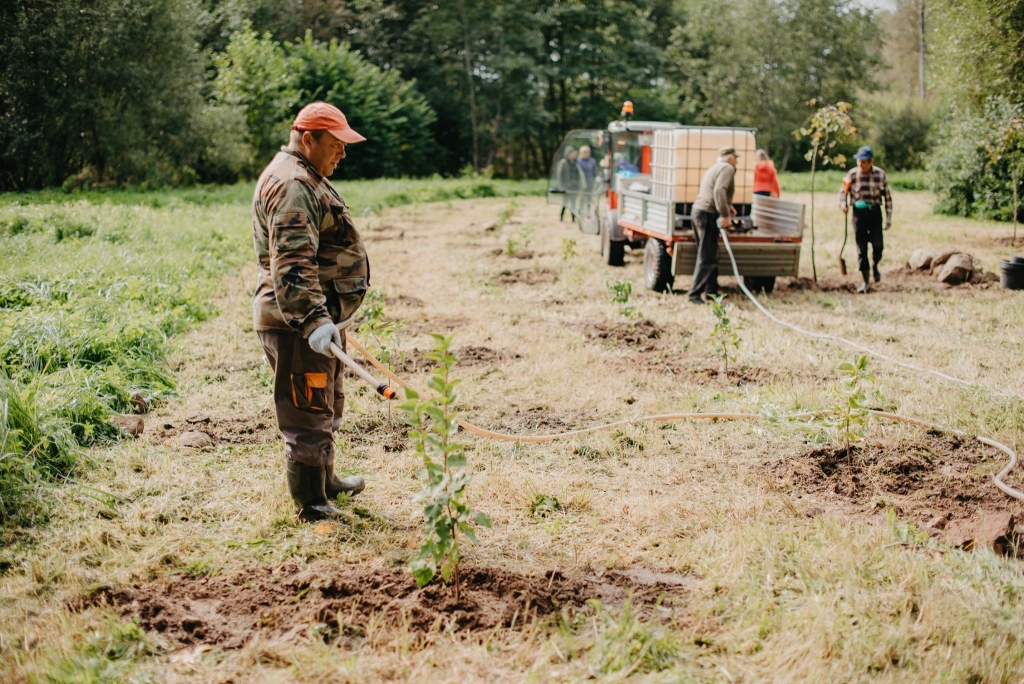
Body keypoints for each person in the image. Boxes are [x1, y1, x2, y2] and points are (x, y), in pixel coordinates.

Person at [252, 101, 371, 521]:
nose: (342, 153)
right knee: (306, 412)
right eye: (336, 144)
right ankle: (312, 503)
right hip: (298, 324)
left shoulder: (305, 175)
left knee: (324, 402)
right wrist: (314, 320)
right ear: (309, 139)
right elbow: (292, 261)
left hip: (316, 318)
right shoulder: (292, 184)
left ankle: (326, 480)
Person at [687, 146, 738, 304]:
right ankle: (694, 295)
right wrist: (724, 214)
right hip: (707, 214)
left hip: (698, 211)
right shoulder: (728, 168)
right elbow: (719, 191)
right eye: (735, 158)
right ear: (730, 158)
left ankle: (711, 292)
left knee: (710, 253)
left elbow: (712, 191)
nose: (736, 161)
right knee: (707, 256)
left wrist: (727, 206)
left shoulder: (714, 168)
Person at [839, 146, 893, 294]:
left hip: (875, 213)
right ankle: (866, 280)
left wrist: (888, 217)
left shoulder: (880, 175)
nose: (860, 165)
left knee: (878, 245)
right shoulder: (852, 174)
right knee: (861, 249)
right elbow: (842, 193)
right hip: (859, 214)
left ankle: (875, 265)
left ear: (870, 162)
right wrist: (843, 204)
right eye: (859, 162)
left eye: (863, 162)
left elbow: (887, 198)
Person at [555, 146, 584, 221]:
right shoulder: (563, 163)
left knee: (573, 203)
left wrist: (579, 186)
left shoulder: (575, 163)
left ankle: (573, 218)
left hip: (574, 186)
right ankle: (561, 217)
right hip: (566, 187)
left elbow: (578, 175)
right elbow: (560, 176)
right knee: (565, 203)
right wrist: (562, 186)